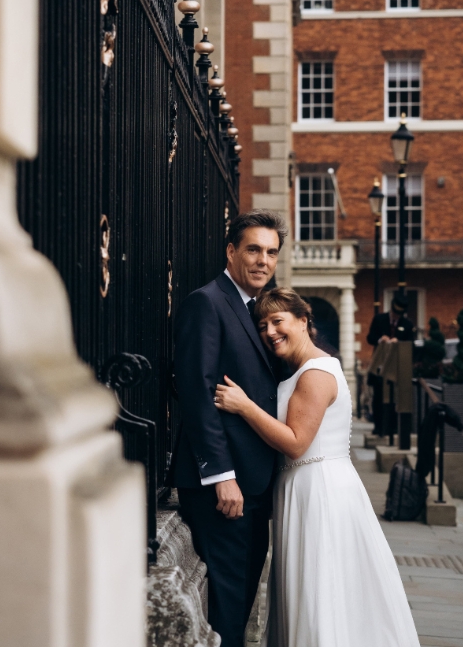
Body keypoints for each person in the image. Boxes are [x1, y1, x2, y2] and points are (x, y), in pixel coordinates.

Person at [215, 287, 420, 647]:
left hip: (319, 489)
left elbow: (296, 443)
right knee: (316, 590)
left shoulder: (315, 373)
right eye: (262, 325)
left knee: (320, 589)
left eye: (278, 321)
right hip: (307, 486)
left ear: (304, 321)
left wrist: (245, 406)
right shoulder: (301, 369)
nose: (269, 332)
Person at [172, 210, 287, 647]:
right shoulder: (207, 302)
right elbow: (198, 393)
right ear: (231, 251)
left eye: (271, 252)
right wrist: (221, 476)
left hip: (258, 483)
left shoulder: (263, 309)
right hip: (225, 487)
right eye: (254, 249)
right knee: (226, 605)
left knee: (240, 607)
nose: (262, 260)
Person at [367, 293, 415, 434]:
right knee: (378, 397)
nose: (395, 316)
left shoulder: (407, 324)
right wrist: (380, 340)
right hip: (380, 365)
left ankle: (392, 428)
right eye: (394, 313)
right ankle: (379, 426)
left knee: (395, 398)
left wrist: (398, 343)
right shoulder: (379, 319)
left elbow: (411, 343)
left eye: (398, 314)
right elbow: (370, 338)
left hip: (397, 366)